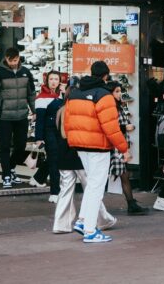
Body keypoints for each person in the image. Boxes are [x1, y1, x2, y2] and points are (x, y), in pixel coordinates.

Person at [63, 60, 130, 243]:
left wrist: (72, 140)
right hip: (98, 147)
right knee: (96, 187)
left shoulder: (75, 93)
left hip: (80, 146)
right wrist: (124, 148)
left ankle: (83, 221)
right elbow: (111, 128)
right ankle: (90, 230)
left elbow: (67, 122)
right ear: (105, 76)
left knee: (92, 184)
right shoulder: (104, 95)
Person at [52, 88, 116, 234]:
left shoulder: (60, 111)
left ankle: (61, 224)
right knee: (92, 189)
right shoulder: (79, 111)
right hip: (79, 153)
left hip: (64, 153)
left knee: (66, 189)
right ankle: (100, 219)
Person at [0, 46, 36, 189]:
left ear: (19, 58)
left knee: (21, 146)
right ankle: (6, 175)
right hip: (4, 117)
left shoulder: (25, 72)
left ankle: (11, 168)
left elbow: (31, 93)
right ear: (6, 58)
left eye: (16, 60)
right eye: (11, 60)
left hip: (22, 116)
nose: (13, 62)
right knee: (4, 147)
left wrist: (34, 110)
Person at [106, 81, 149, 215]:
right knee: (123, 175)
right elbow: (109, 127)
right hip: (115, 146)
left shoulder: (117, 106)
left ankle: (131, 203)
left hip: (119, 145)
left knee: (124, 175)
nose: (119, 94)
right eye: (116, 91)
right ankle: (131, 204)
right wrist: (125, 127)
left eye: (120, 91)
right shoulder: (110, 107)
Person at [33, 71, 64, 200]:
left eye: (56, 79)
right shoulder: (41, 97)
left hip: (61, 131)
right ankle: (54, 192)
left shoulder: (62, 96)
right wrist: (39, 138)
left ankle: (38, 178)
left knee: (54, 158)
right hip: (49, 131)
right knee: (54, 160)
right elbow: (39, 119)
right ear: (47, 81)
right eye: (51, 79)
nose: (53, 82)